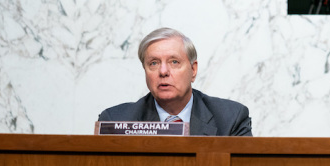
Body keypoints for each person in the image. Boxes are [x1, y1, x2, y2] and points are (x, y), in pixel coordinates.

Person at [98, 27, 253, 136]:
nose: (163, 71)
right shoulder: (115, 121)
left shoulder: (231, 119)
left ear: (193, 70)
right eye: (154, 63)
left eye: (174, 62)